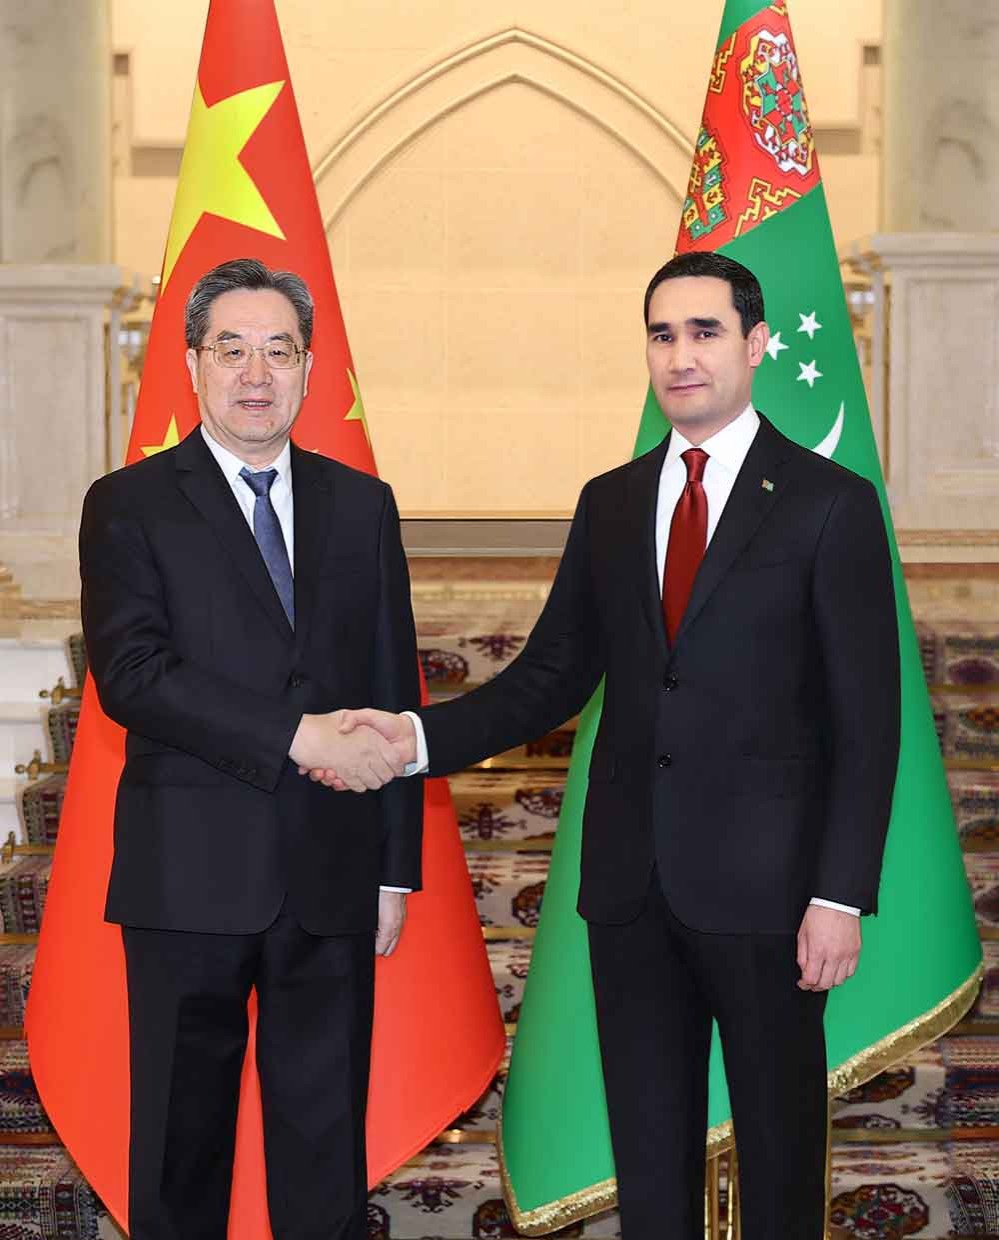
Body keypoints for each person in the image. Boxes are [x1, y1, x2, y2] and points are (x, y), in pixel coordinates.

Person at [314, 251, 901, 1240]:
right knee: (650, 1171)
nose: (681, 356)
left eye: (705, 332)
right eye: (662, 335)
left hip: (772, 897)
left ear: (756, 344)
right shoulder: (612, 502)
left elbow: (867, 720)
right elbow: (546, 678)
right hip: (632, 891)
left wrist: (838, 895)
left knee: (781, 1161)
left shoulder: (827, 503)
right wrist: (412, 737)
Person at [79, 257, 422, 1240]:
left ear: (309, 368)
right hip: (189, 876)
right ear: (193, 363)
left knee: (324, 1158)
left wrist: (394, 867)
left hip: (332, 872)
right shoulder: (130, 502)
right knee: (180, 1156)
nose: (256, 374)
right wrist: (295, 735)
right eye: (232, 350)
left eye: (279, 350)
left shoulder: (362, 504)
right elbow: (132, 675)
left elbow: (393, 688)